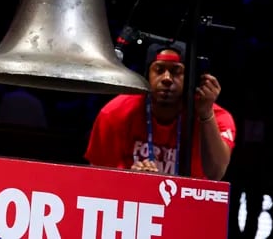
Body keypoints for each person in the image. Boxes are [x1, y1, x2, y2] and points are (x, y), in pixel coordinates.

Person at [84, 41, 236, 180]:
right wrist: (129, 180)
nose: (167, 78)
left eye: (176, 71)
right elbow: (96, 179)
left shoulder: (218, 118)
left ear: (191, 79)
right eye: (159, 70)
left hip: (188, 206)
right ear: (147, 75)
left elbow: (216, 174)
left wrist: (205, 113)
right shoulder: (114, 113)